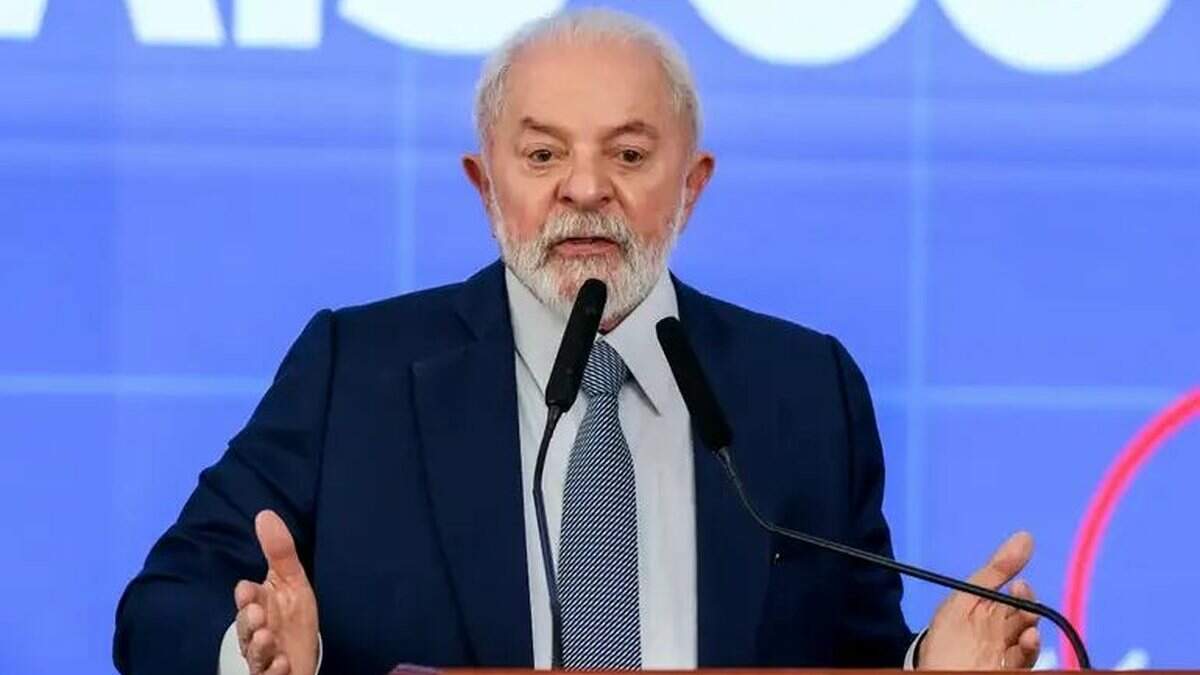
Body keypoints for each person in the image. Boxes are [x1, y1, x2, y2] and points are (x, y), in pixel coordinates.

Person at [113, 9, 1042, 675]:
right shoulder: (356, 374)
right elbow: (158, 611)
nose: (586, 188)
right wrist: (259, 654)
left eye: (629, 155)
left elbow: (850, 654)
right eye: (543, 154)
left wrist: (926, 665)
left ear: (693, 184)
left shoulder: (804, 390)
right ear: (485, 184)